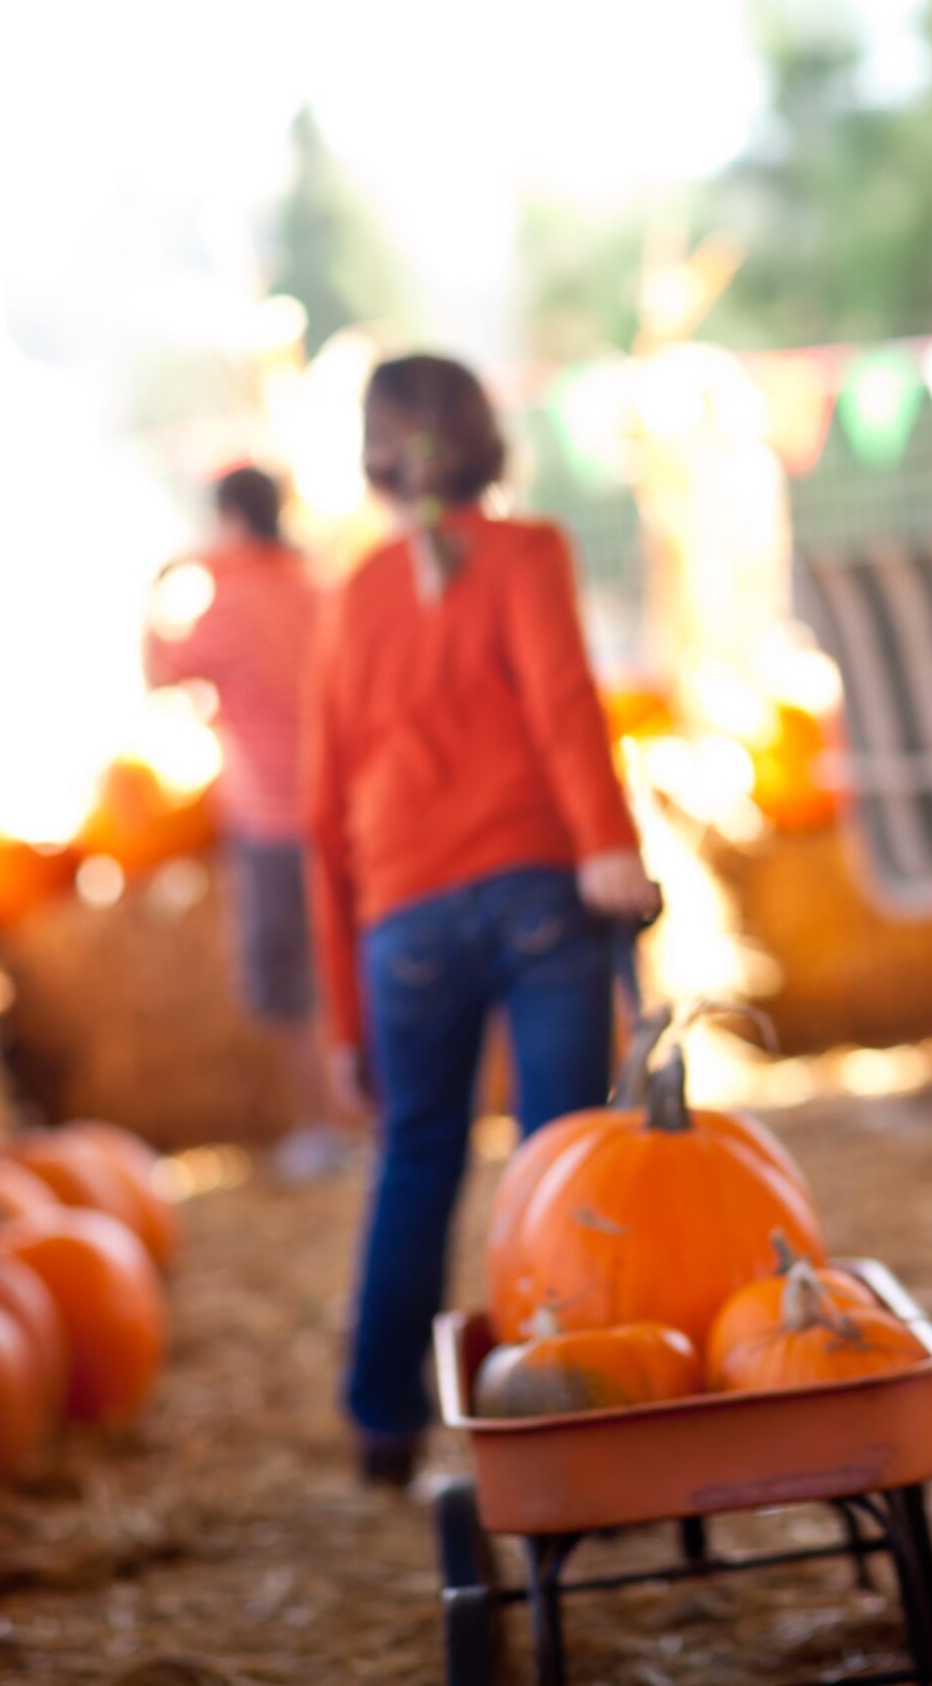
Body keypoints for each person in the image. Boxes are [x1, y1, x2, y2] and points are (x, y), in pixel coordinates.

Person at [305, 354, 657, 1485]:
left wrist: (343, 1021)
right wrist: (608, 845)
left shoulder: (350, 602)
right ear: (486, 443)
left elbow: (320, 821)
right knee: (557, 1158)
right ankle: (563, 1414)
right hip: (537, 893)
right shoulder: (528, 553)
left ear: (377, 457)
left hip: (400, 920)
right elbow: (563, 700)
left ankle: (381, 1420)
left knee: (416, 1155)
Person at [143, 464, 343, 1179]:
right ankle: (371, 1117)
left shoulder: (225, 605)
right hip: (341, 808)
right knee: (347, 966)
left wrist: (162, 587)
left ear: (229, 521)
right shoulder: (318, 589)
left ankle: (321, 1128)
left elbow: (159, 676)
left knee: (286, 977)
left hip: (270, 819)